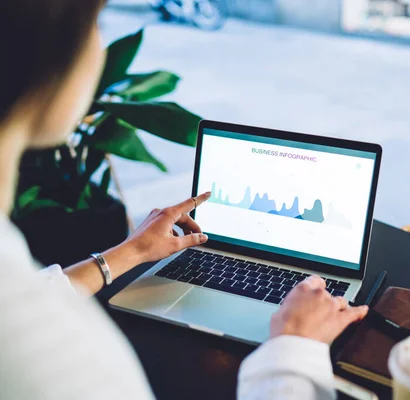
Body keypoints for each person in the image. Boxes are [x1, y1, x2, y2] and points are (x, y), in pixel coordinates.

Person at [0, 1, 369, 399]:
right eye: (96, 22)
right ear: (42, 54)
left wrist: (130, 252)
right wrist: (294, 347)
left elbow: (34, 290)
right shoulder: (62, 363)